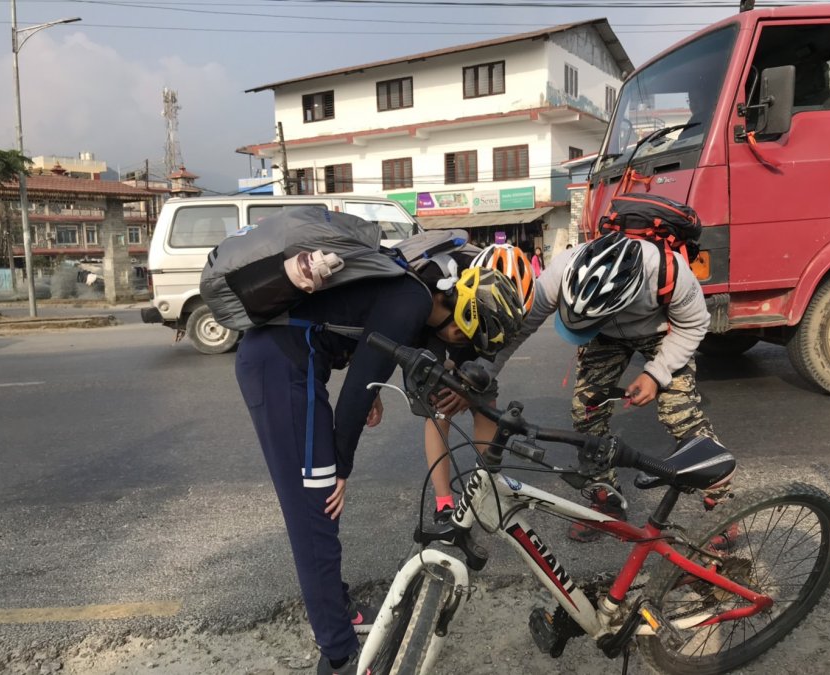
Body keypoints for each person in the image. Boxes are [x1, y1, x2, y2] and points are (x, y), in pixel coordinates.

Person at [234, 261, 523, 675]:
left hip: (287, 362)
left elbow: (364, 346)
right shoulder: (411, 302)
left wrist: (373, 393)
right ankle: (338, 656)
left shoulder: (411, 295)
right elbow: (355, 393)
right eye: (463, 338)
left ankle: (339, 610)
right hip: (281, 368)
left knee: (320, 509)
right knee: (316, 512)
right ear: (460, 317)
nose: (457, 347)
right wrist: (341, 468)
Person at [481, 231, 719, 543]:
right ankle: (606, 500)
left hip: (662, 331)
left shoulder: (669, 273)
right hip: (603, 334)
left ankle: (722, 505)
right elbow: (520, 329)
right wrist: (484, 374)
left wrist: (655, 374)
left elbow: (695, 324)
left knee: (681, 415)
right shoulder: (560, 272)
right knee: (585, 413)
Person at [423, 245, 535, 524]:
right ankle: (443, 503)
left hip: (478, 333)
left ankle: (485, 489)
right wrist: (446, 372)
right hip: (440, 329)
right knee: (440, 407)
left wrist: (472, 386)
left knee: (485, 403)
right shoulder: (433, 284)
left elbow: (497, 351)